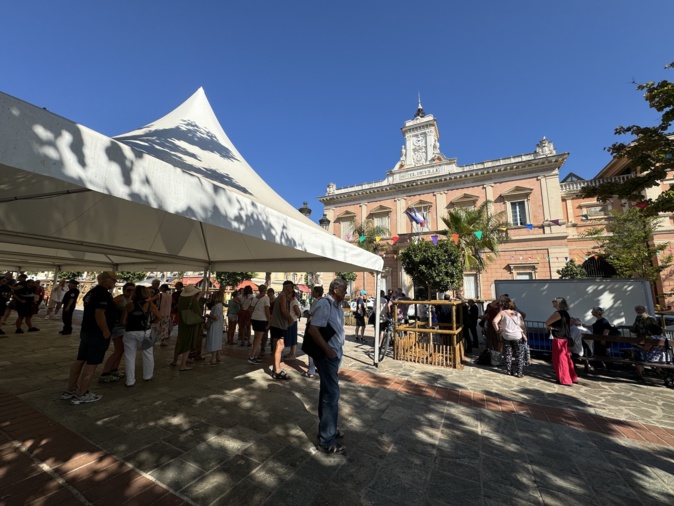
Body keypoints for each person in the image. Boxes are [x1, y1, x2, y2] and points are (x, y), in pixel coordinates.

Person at [61, 271, 118, 404]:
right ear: (106, 280)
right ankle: (82, 393)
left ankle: (71, 388)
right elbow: (99, 313)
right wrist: (105, 331)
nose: (115, 282)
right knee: (92, 363)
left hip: (87, 331)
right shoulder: (102, 294)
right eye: (113, 280)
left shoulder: (92, 292)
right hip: (96, 333)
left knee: (80, 359)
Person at [307, 278, 347, 454]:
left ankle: (328, 429)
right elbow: (313, 329)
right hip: (327, 355)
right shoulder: (325, 304)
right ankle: (326, 440)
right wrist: (328, 350)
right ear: (336, 289)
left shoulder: (337, 306)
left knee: (327, 393)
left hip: (335, 354)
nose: (346, 292)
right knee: (332, 394)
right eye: (344, 289)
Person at [122, 285, 161, 387]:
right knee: (147, 354)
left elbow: (122, 321)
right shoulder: (149, 304)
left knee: (129, 356)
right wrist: (152, 321)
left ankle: (130, 381)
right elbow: (159, 316)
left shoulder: (129, 305)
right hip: (144, 332)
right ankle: (147, 376)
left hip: (130, 331)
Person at [99, 282, 134, 383]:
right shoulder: (118, 299)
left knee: (121, 350)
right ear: (124, 290)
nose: (131, 292)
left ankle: (114, 370)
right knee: (118, 350)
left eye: (133, 290)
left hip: (125, 327)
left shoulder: (131, 299)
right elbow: (107, 311)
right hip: (117, 327)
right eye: (129, 290)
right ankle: (105, 373)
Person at [545, 297, 578, 386]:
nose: (553, 302)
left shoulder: (558, 313)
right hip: (565, 338)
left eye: (554, 301)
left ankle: (565, 379)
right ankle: (572, 377)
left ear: (558, 303)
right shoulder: (566, 313)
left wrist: (550, 327)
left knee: (560, 359)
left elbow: (547, 322)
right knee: (566, 358)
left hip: (559, 338)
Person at [492, 299, 526, 377]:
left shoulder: (502, 313)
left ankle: (509, 370)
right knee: (519, 354)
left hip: (506, 335)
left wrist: (498, 330)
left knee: (508, 353)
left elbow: (494, 321)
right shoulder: (517, 314)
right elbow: (522, 326)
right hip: (517, 335)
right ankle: (519, 372)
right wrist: (525, 335)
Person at [269, 280, 294, 380]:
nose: (292, 290)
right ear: (287, 287)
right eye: (291, 288)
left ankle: (276, 369)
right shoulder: (283, 296)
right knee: (280, 347)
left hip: (276, 324)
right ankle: (277, 371)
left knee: (276, 347)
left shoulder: (282, 296)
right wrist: (290, 319)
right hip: (278, 325)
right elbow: (283, 310)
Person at [173, 284, 202, 371]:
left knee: (180, 340)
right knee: (187, 343)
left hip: (182, 322)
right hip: (189, 322)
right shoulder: (192, 300)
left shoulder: (180, 299)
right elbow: (198, 311)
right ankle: (183, 365)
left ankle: (174, 361)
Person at [303, 285, 324, 378]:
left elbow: (311, 313)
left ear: (317, 292)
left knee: (310, 347)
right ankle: (319, 367)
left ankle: (311, 370)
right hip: (321, 327)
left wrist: (307, 320)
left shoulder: (316, 301)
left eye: (313, 291)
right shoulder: (324, 301)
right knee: (318, 347)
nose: (312, 293)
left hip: (313, 326)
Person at [248, 285, 271, 364]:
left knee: (256, 338)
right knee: (258, 339)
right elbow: (267, 310)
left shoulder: (255, 298)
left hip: (254, 318)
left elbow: (251, 309)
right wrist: (269, 321)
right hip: (262, 319)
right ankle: (252, 356)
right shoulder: (266, 298)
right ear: (265, 290)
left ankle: (253, 355)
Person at [204, 291, 224, 365]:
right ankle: (218, 356)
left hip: (214, 325)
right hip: (218, 325)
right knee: (217, 340)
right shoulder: (220, 305)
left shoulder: (216, 306)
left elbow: (216, 317)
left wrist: (208, 316)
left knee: (214, 341)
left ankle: (213, 358)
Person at [283, 290, 302, 360]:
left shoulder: (293, 302)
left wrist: (294, 315)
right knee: (291, 337)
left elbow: (297, 312)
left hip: (292, 321)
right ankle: (291, 353)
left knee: (293, 337)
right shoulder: (292, 301)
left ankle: (293, 354)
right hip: (292, 321)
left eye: (289, 294)